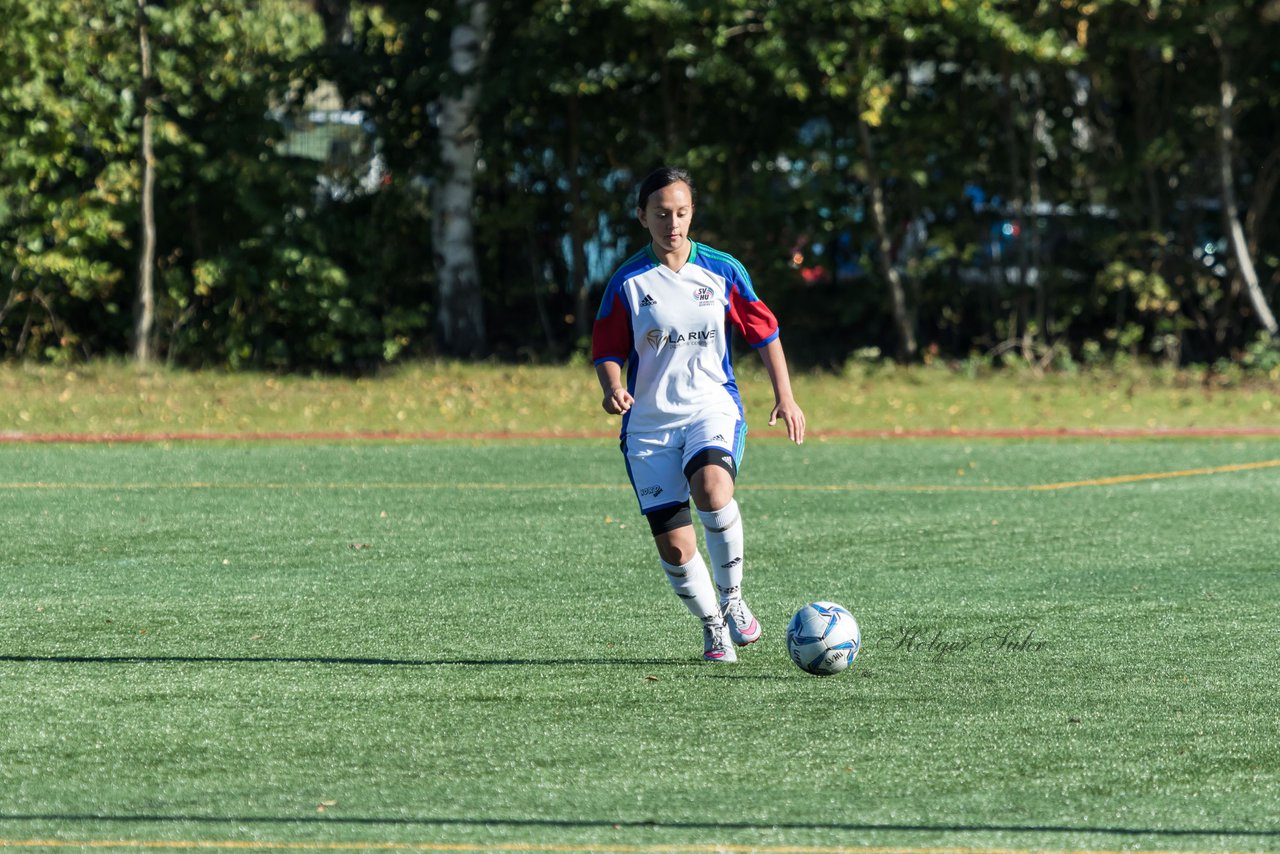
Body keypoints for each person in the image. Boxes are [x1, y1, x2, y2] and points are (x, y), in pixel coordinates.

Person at [591, 166, 806, 663]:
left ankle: (732, 599)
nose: (673, 224)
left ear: (692, 213)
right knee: (676, 549)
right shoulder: (627, 281)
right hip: (648, 426)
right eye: (662, 214)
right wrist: (613, 388)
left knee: (712, 487)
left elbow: (764, 331)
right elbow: (607, 348)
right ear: (642, 216)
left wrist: (786, 396)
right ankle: (713, 627)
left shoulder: (722, 270)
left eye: (682, 213)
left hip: (711, 406)